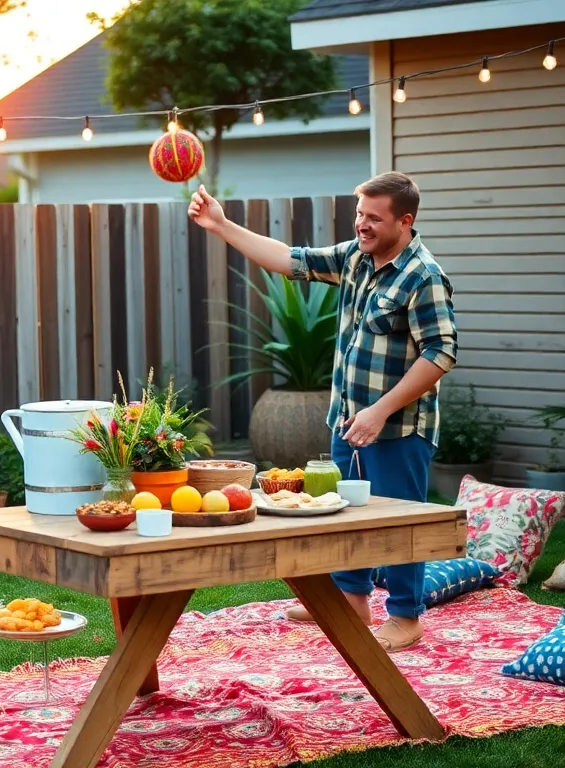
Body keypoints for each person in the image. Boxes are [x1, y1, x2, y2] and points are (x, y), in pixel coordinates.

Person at [188, 171, 457, 652]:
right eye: (359, 214)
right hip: (348, 420)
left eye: (374, 218)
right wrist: (222, 225)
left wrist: (379, 411)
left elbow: (441, 353)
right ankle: (348, 599)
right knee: (342, 513)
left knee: (399, 524)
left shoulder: (423, 275)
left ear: (405, 221)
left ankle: (405, 615)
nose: (362, 225)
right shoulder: (357, 257)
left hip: (397, 427)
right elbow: (290, 260)